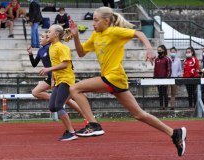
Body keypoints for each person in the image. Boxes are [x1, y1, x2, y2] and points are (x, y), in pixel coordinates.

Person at [69, 7, 186, 156]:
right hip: (114, 79)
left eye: (96, 20)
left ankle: (93, 124)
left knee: (74, 89)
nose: (93, 23)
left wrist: (150, 49)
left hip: (114, 77)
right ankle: (174, 133)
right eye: (93, 20)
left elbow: (139, 33)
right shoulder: (95, 35)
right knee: (139, 114)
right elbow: (80, 53)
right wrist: (76, 37)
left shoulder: (114, 32)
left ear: (106, 21)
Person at [27, 32, 87, 122]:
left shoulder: (51, 48)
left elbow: (64, 63)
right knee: (35, 92)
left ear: (48, 39)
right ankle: (57, 98)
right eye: (41, 37)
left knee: (66, 101)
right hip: (50, 76)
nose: (40, 38)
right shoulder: (41, 50)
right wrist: (30, 54)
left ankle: (86, 116)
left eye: (43, 37)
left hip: (57, 76)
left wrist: (53, 79)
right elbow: (34, 64)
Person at [38, 24, 78, 141]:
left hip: (66, 79)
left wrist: (48, 70)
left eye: (49, 32)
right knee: (52, 107)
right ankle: (71, 130)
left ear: (56, 34)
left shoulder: (62, 47)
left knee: (59, 105)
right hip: (58, 80)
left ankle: (71, 132)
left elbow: (65, 64)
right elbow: (55, 64)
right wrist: (52, 79)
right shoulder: (51, 47)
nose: (47, 34)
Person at [154, 45, 172, 110]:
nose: (159, 52)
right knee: (160, 93)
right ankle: (161, 106)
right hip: (158, 80)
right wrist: (154, 78)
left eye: (160, 50)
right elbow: (155, 69)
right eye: (158, 50)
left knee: (165, 93)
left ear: (164, 51)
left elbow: (169, 70)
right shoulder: (156, 59)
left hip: (165, 79)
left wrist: (167, 79)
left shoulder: (167, 59)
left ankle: (166, 106)